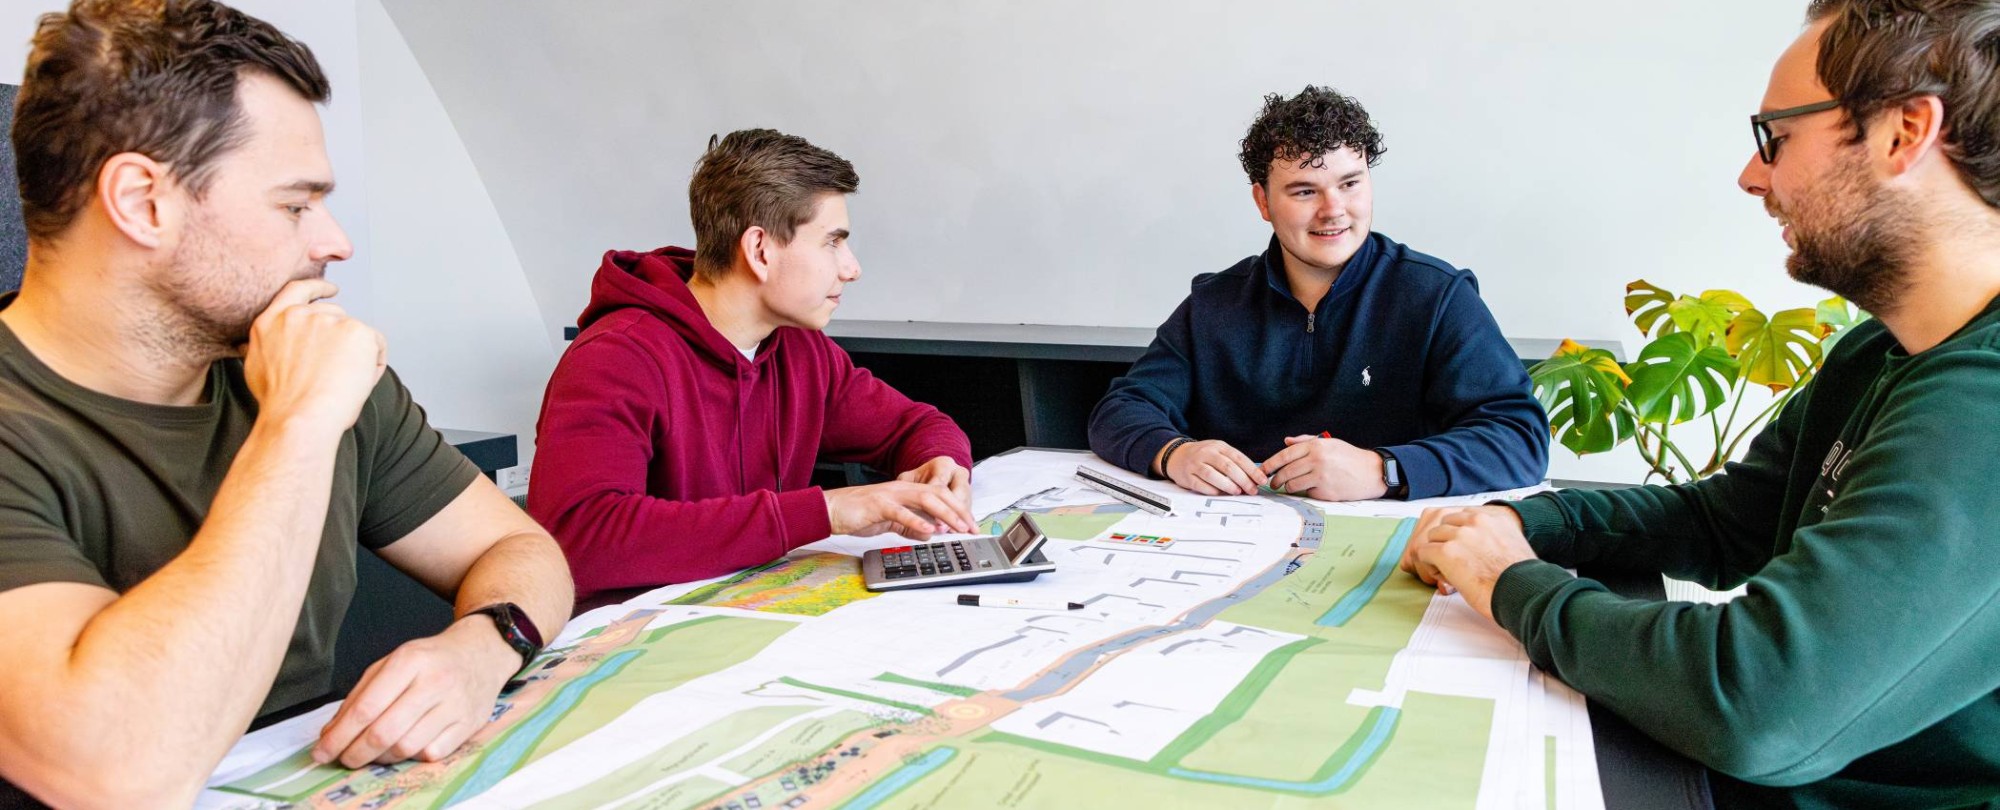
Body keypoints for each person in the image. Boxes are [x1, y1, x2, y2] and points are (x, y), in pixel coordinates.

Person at [1404, 1, 2000, 805]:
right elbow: (1725, 522)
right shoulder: (1877, 354)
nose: (1753, 177)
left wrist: (1510, 583)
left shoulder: (1984, 401)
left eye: (1776, 138)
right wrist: (1522, 521)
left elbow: (1761, 702)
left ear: (1904, 133)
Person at [0, 2, 575, 805]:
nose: (334, 241)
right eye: (295, 204)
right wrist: (297, 426)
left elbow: (524, 551)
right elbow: (120, 771)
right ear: (142, 202)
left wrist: (483, 647)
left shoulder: (310, 363)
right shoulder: (305, 391)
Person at [530, 129, 975, 605]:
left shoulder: (801, 349)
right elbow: (579, 540)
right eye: (833, 243)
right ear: (760, 250)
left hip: (750, 611)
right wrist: (824, 511)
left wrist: (943, 466)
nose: (851, 268)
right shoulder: (616, 357)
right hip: (635, 639)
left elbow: (916, 424)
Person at [1087, 86, 1548, 503]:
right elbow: (1121, 409)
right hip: (1241, 544)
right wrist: (1174, 454)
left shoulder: (1437, 297)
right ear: (1263, 202)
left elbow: (1519, 437)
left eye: (1350, 183)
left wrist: (1383, 469)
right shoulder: (1213, 304)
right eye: (1305, 191)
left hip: (1392, 552)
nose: (1334, 211)